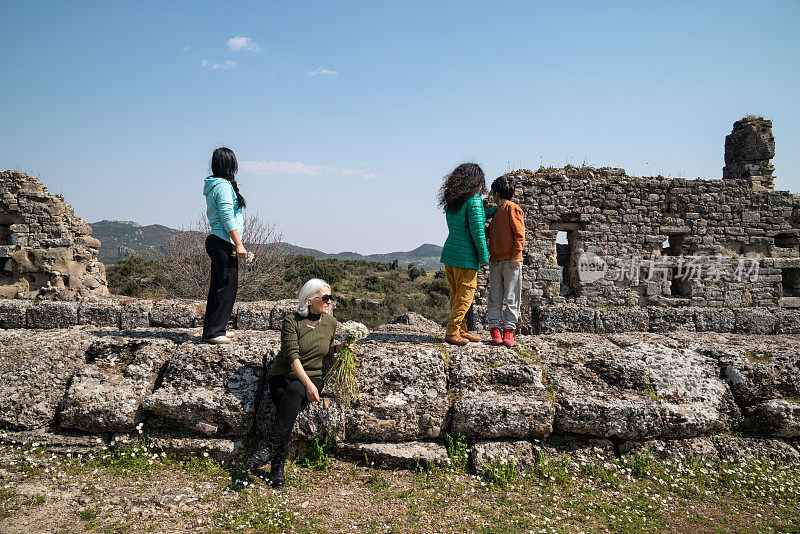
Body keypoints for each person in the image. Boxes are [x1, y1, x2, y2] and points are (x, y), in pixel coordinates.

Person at [252, 278, 352, 487]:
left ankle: (270, 448)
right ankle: (277, 468)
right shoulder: (292, 321)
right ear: (309, 300)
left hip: (315, 375)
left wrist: (339, 348)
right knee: (289, 399)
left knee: (294, 393)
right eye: (325, 297)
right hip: (285, 373)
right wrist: (307, 384)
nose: (329, 301)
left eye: (330, 297)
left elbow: (326, 350)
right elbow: (292, 357)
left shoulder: (331, 323)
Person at [438, 163, 490, 346]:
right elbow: (477, 232)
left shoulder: (454, 200)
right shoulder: (474, 200)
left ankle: (462, 329)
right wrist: (484, 257)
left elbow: (465, 223)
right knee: (466, 295)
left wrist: (489, 212)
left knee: (455, 295)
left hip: (450, 253)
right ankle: (452, 332)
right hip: (466, 257)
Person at [202, 147, 247, 345]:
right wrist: (239, 244)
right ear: (230, 165)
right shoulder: (222, 187)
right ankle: (214, 331)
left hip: (217, 240)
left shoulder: (217, 185)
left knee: (219, 286)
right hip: (223, 241)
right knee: (226, 286)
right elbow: (227, 216)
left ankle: (214, 328)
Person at [484, 175, 525, 347]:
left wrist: (516, 254)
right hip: (496, 260)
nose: (491, 196)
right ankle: (495, 330)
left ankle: (508, 330)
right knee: (495, 296)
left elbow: (519, 233)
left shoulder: (512, 208)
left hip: (510, 260)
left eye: (493, 192)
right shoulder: (499, 211)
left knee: (511, 296)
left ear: (497, 193)